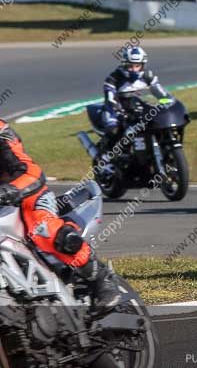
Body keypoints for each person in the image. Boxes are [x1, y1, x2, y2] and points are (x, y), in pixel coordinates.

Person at [0, 119, 121, 311]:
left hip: (25, 197)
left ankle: (101, 279)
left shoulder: (2, 133)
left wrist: (8, 192)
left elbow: (31, 172)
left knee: (43, 229)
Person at [98, 46, 170, 165]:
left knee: (158, 124)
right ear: (124, 64)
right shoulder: (114, 78)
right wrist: (117, 109)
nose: (134, 69)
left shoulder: (147, 76)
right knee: (113, 127)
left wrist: (168, 102)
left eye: (137, 66)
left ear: (142, 65)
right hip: (117, 109)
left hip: (138, 109)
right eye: (131, 66)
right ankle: (106, 157)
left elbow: (160, 93)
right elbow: (110, 97)